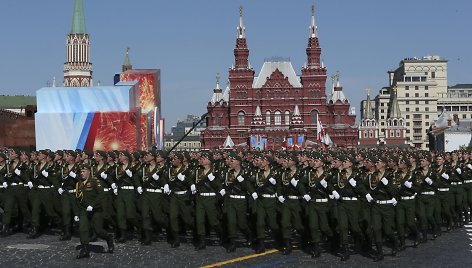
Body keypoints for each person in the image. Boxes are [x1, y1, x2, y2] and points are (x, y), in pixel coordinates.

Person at [76, 164, 114, 259]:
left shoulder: (94, 181)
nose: (82, 173)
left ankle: (108, 239)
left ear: (89, 172)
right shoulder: (79, 183)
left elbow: (101, 194)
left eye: (84, 171)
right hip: (84, 210)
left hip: (96, 210)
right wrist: (76, 213)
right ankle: (85, 249)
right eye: (81, 172)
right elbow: (77, 199)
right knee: (83, 228)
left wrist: (92, 205)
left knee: (98, 230)